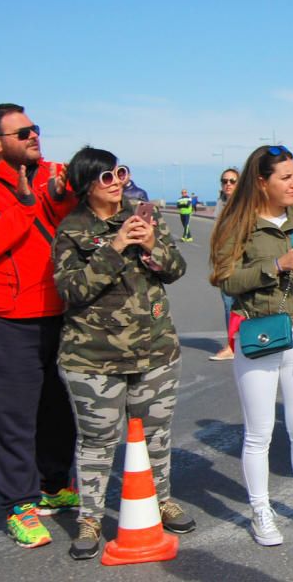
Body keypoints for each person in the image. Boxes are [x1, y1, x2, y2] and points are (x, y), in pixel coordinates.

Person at [53, 147, 195, 560]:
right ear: (86, 186)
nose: (116, 182)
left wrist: (152, 243)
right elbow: (72, 290)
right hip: (91, 358)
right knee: (97, 441)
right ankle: (91, 518)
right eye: (106, 178)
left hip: (155, 350)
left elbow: (175, 270)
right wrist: (114, 246)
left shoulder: (144, 217)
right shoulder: (72, 230)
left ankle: (162, 500)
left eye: (120, 173)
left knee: (157, 434)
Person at [209, 145, 293, 545]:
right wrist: (276, 266)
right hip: (259, 332)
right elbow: (225, 279)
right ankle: (261, 510)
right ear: (262, 181)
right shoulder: (237, 222)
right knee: (259, 432)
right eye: (285, 177)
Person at [0, 103, 79, 549]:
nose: (34, 136)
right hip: (3, 315)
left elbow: (70, 224)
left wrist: (61, 196)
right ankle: (19, 504)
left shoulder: (46, 172)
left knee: (56, 409)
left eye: (35, 128)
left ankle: (55, 485)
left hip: (55, 310)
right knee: (11, 417)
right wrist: (23, 206)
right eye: (23, 133)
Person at [210, 167, 240, 361]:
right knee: (229, 303)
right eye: (224, 181)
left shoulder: (245, 204)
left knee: (242, 304)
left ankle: (238, 345)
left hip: (241, 260)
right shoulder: (221, 203)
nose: (227, 184)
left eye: (232, 181)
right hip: (224, 260)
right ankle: (232, 345)